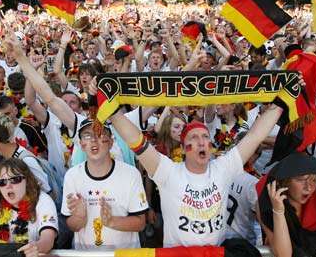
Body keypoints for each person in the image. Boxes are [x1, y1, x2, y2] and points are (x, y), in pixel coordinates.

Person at [107, 75, 286, 247]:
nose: (201, 141)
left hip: (215, 253)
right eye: (194, 137)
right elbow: (135, 140)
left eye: (205, 137)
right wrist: (108, 107)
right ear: (184, 148)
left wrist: (282, 100)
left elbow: (255, 136)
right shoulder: (168, 171)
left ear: (210, 144)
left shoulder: (224, 168)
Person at [61, 119, 148, 249]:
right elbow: (72, 226)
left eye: (100, 134)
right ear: (81, 144)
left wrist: (112, 221)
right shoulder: (72, 176)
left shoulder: (131, 174)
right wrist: (80, 217)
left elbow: (141, 223)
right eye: (87, 135)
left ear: (111, 142)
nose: (94, 140)